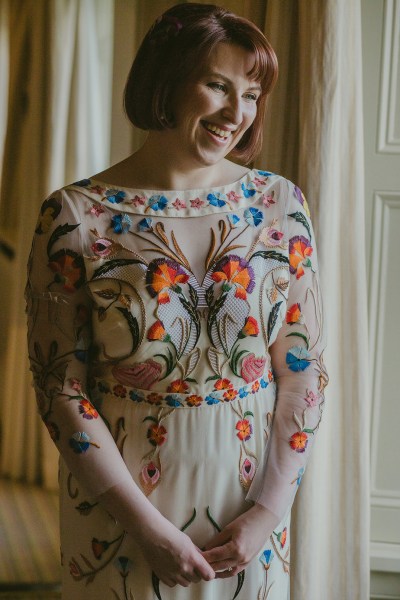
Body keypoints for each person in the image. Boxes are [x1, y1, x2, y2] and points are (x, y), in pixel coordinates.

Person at [26, 3, 328, 599]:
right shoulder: (74, 218)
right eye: (217, 85)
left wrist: (266, 514)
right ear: (165, 79)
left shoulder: (280, 205)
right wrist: (143, 528)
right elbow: (60, 388)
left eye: (251, 94)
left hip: (246, 505)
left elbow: (303, 372)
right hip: (121, 513)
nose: (236, 113)